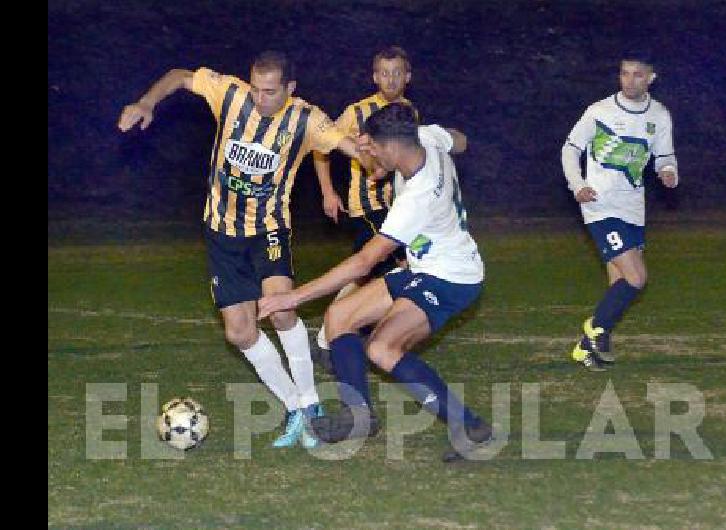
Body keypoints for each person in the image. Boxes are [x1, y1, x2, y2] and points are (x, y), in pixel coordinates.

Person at [118, 50, 374, 448]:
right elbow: (180, 74)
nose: (259, 98)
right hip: (221, 231)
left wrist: (380, 154)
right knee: (239, 332)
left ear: (290, 89)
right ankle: (294, 407)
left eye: (270, 92)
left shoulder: (307, 119)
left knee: (282, 308)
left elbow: (350, 148)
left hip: (268, 230)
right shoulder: (231, 95)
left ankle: (312, 408)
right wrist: (146, 101)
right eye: (255, 88)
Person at [259, 103, 492, 462]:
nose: (371, 155)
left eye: (376, 149)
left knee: (382, 348)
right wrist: (386, 163)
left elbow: (365, 262)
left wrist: (294, 297)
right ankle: (359, 417)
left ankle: (469, 426)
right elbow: (459, 140)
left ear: (394, 146)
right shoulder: (425, 138)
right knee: (338, 318)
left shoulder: (418, 198)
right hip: (425, 266)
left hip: (451, 278)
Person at [561, 54, 679, 371]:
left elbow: (665, 156)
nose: (629, 80)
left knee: (619, 282)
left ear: (651, 78)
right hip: (600, 205)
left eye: (637, 75)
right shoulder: (599, 111)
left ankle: (588, 349)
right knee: (637, 277)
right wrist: (578, 185)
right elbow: (570, 149)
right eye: (625, 74)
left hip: (633, 208)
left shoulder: (659, 116)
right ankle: (595, 327)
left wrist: (668, 171)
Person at [312, 46, 416, 357]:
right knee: (398, 264)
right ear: (374, 77)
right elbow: (321, 146)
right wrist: (328, 192)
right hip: (368, 206)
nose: (391, 79)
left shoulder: (410, 112)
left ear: (407, 77)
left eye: (397, 73)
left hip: (399, 205)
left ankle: (339, 332)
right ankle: (346, 333)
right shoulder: (356, 113)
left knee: (372, 272)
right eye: (384, 73)